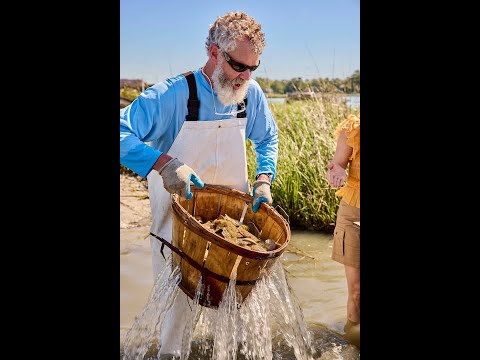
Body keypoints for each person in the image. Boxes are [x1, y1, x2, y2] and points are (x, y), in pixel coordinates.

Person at [120, 11, 278, 357]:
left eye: (253, 68)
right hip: (176, 235)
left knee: (237, 328)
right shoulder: (174, 94)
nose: (245, 77)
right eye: (238, 66)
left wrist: (264, 178)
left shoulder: (251, 95)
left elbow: (268, 138)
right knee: (175, 330)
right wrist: (162, 163)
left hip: (230, 236)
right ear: (214, 53)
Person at [326, 113, 360, 349]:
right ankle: (354, 344)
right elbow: (336, 166)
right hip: (354, 213)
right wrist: (337, 173)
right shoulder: (354, 128)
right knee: (356, 290)